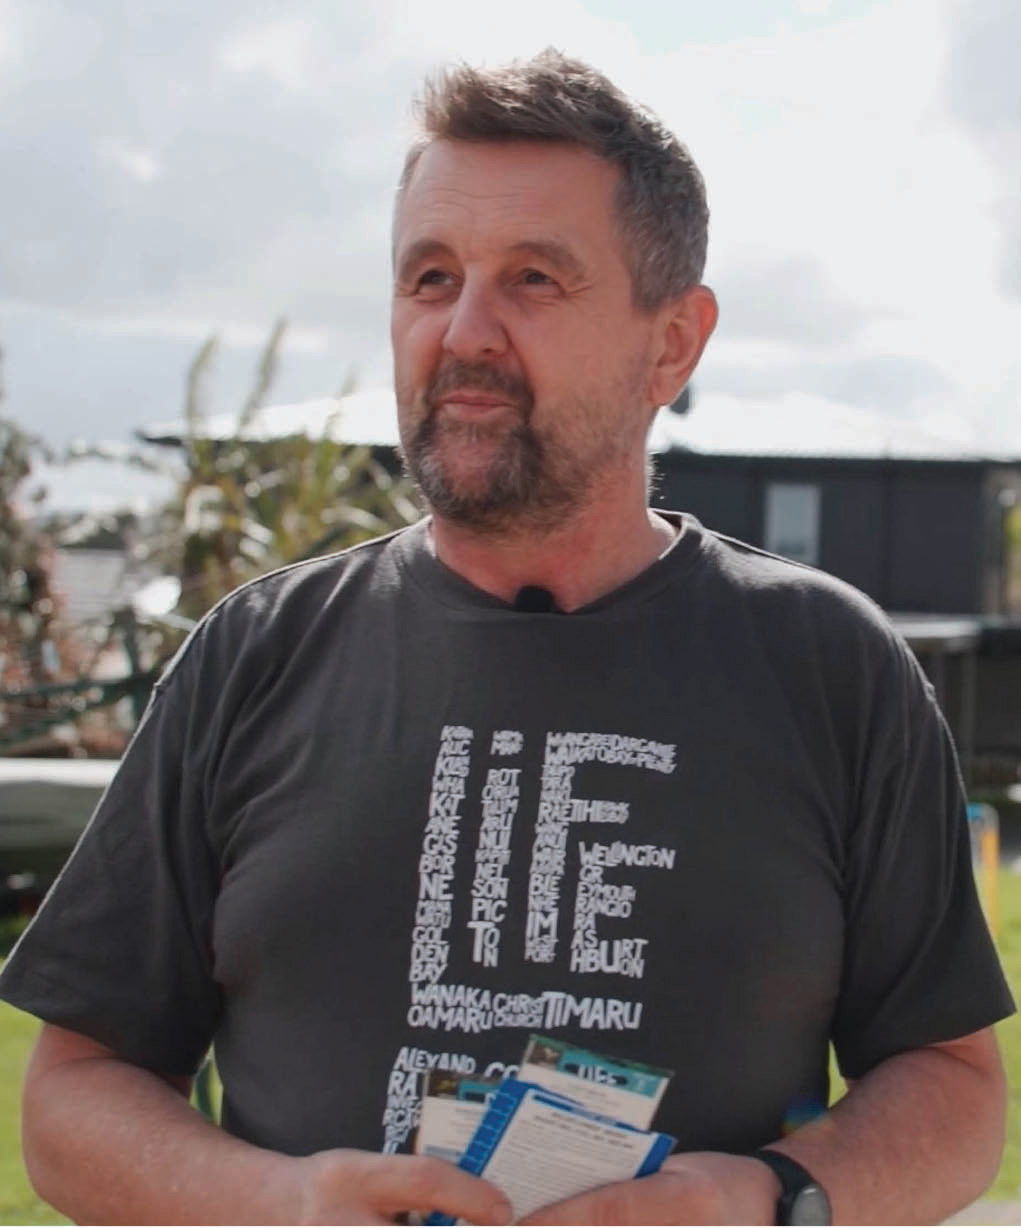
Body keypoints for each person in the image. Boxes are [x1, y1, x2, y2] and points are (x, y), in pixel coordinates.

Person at [0, 49, 1013, 1226]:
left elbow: (949, 1087)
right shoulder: (254, 656)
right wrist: (279, 1202)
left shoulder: (829, 666)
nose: (463, 330)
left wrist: (762, 1197)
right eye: (429, 277)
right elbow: (73, 1094)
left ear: (673, 342)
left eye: (533, 278)